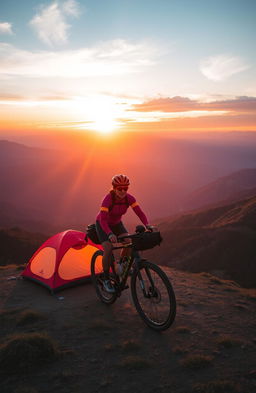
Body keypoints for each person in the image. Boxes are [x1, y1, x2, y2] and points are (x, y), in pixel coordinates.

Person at [96, 174, 154, 293]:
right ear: (114, 188)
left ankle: (121, 265)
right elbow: (102, 220)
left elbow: (139, 212)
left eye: (125, 188)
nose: (123, 191)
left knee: (128, 242)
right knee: (108, 248)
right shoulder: (107, 199)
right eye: (119, 188)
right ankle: (106, 279)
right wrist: (110, 234)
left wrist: (147, 225)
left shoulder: (129, 198)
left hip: (117, 224)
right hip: (103, 224)